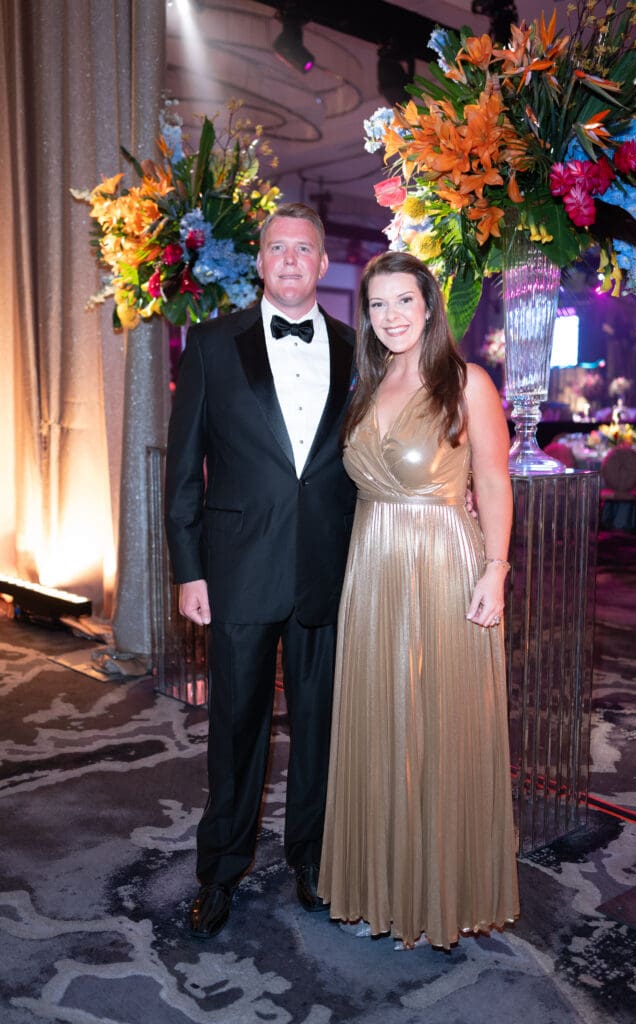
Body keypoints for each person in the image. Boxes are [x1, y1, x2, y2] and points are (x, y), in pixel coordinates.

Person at [164, 202, 357, 939]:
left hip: (327, 571)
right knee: (235, 732)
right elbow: (185, 470)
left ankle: (312, 859)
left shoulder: (354, 347)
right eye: (275, 248)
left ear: (322, 264)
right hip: (236, 571)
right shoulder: (211, 344)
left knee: (319, 733)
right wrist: (188, 569)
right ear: (258, 261)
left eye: (301, 249)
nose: (287, 260)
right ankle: (219, 872)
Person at [317, 250, 520, 950]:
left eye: (404, 301)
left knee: (437, 723)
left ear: (429, 306)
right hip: (372, 563)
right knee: (380, 717)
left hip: (440, 561)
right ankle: (380, 883)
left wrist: (494, 569)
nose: (392, 316)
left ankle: (439, 890)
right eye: (377, 304)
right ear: (365, 314)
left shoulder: (465, 383)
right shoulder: (368, 383)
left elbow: (492, 482)